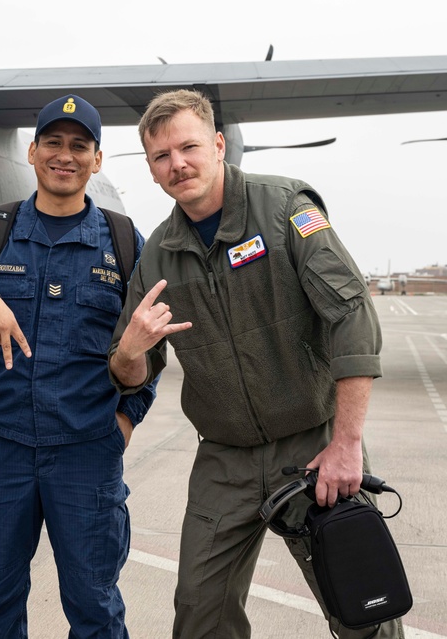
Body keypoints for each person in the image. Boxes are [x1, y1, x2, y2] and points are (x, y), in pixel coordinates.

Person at [106, 89, 400, 638]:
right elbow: (131, 374)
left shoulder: (286, 208)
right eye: (161, 157)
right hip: (226, 461)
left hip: (313, 444)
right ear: (149, 169)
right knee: (199, 612)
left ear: (218, 145)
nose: (178, 164)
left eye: (189, 147)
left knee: (363, 606)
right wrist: (128, 351)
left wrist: (347, 443)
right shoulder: (158, 254)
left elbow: (352, 318)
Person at [0, 94, 155, 638]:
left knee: (95, 608)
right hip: (1, 449)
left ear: (97, 161)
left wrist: (127, 419)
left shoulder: (123, 243)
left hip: (87, 453)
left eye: (80, 146)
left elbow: (155, 344)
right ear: (32, 152)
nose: (64, 155)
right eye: (53, 142)